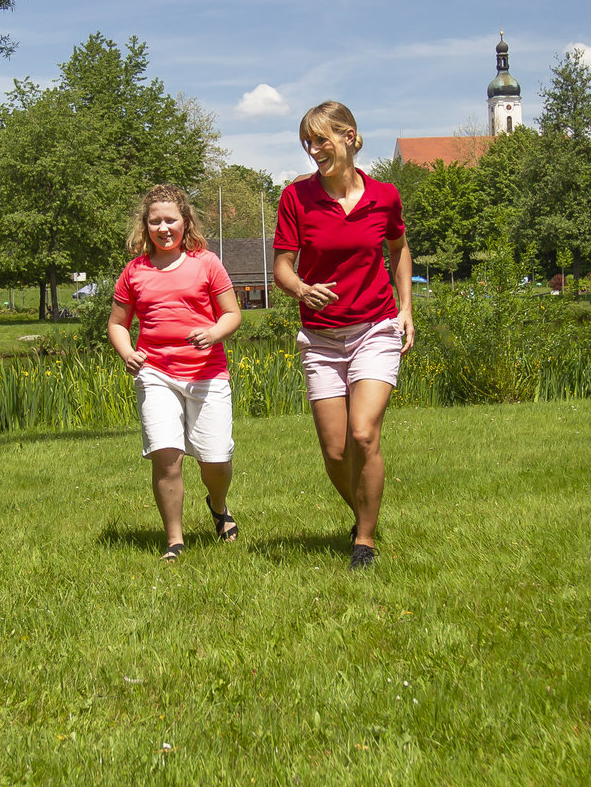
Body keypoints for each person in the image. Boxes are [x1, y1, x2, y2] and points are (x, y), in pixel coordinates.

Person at [272, 101, 414, 570]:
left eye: (321, 140)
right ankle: (362, 511)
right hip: (321, 339)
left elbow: (399, 250)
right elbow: (282, 269)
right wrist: (300, 288)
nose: (314, 150)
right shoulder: (296, 198)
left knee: (363, 432)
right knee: (335, 451)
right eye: (307, 143)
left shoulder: (385, 196)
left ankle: (365, 541)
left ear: (349, 136)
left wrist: (406, 310)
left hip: (375, 326)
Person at [108, 184, 242, 560]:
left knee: (215, 459)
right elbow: (117, 323)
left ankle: (218, 505)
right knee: (166, 455)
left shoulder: (206, 263)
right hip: (156, 373)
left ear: (186, 221)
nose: (163, 228)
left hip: (206, 373)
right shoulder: (134, 271)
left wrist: (213, 332)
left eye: (171, 220)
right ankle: (174, 541)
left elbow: (232, 314)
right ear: (145, 225)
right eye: (155, 222)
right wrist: (127, 352)